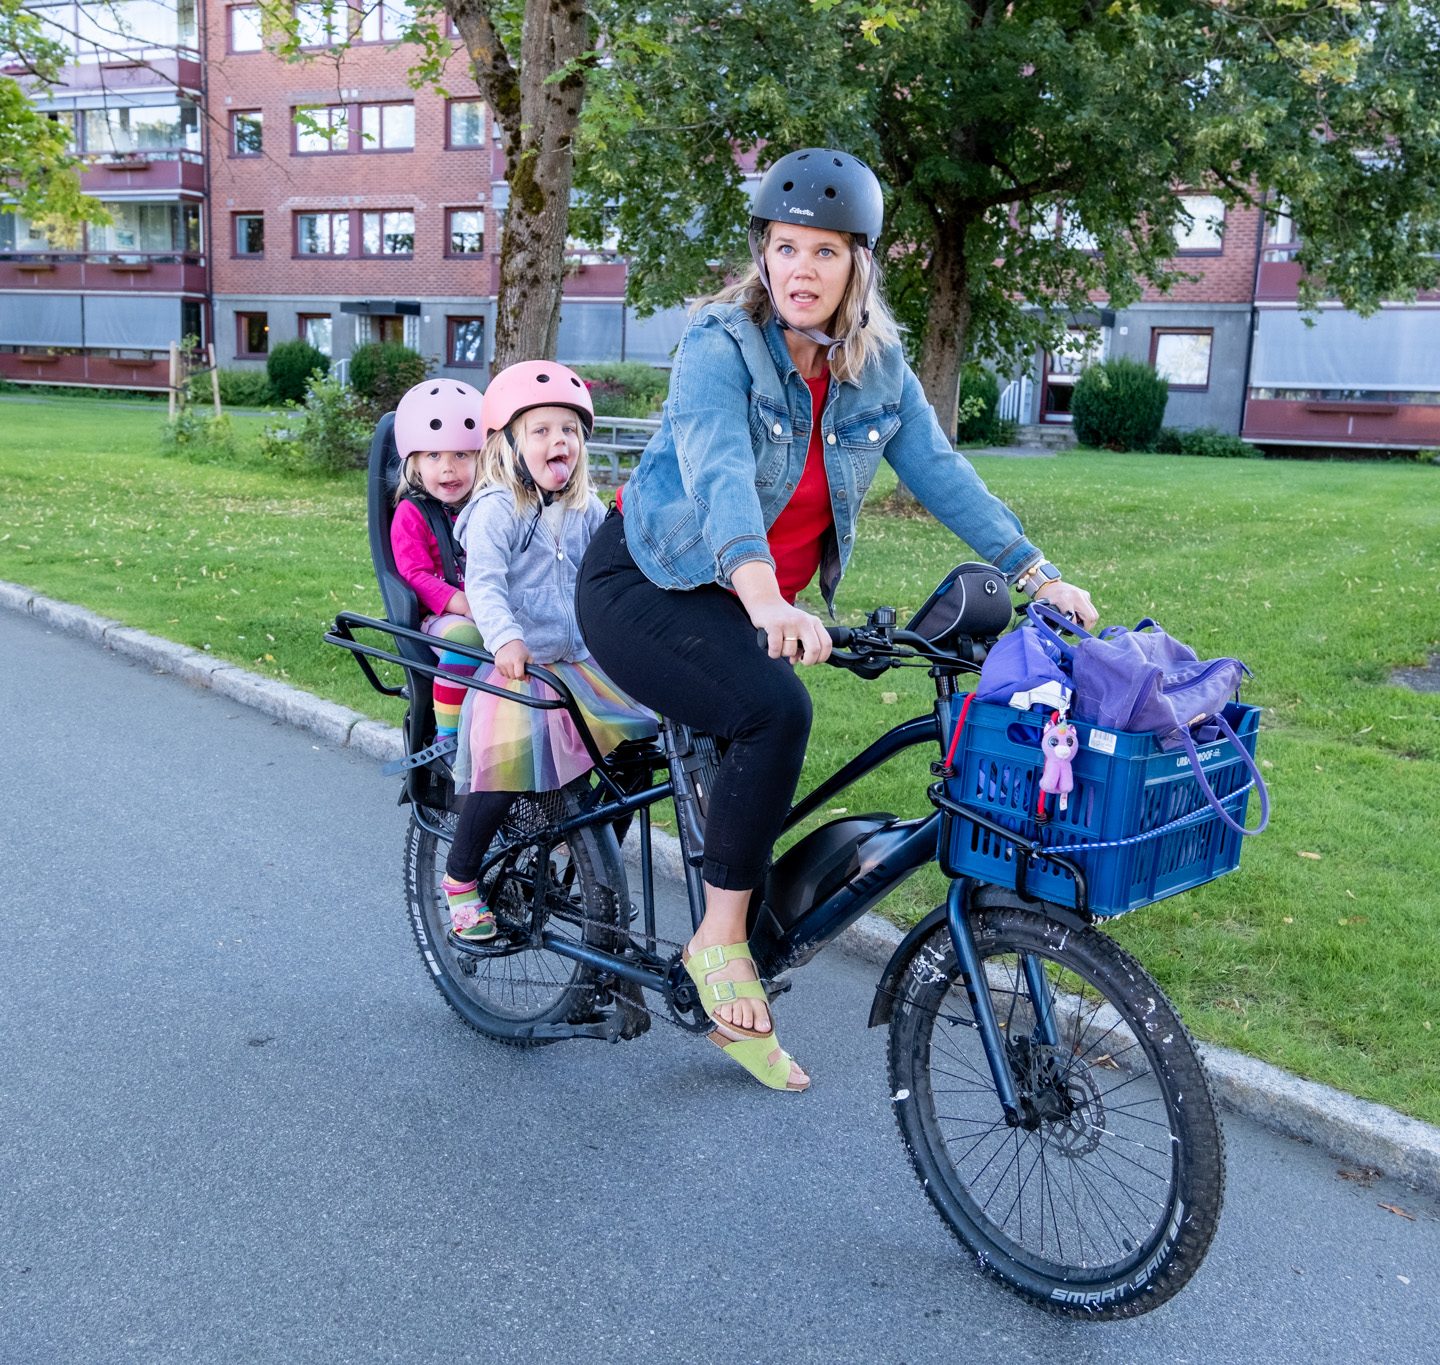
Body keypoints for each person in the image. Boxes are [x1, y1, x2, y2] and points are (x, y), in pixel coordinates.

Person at [576, 147, 1097, 1091]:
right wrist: (764, 589)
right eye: (784, 249)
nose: (801, 271)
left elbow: (941, 471)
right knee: (776, 710)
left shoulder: (878, 368)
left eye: (823, 251)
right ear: (761, 257)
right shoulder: (717, 343)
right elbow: (718, 467)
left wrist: (1033, 571)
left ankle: (735, 916)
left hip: (742, 594)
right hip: (649, 578)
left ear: (859, 263)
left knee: (757, 732)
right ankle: (720, 941)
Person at [441, 361, 657, 942]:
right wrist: (505, 638)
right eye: (540, 430)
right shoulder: (494, 510)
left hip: (581, 662)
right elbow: (483, 584)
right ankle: (460, 879)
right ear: (510, 445)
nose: (558, 440)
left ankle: (590, 852)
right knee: (505, 765)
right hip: (519, 664)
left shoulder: (584, 511)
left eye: (569, 429)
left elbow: (610, 575)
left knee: (642, 743)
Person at [388, 379, 485, 743]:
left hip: (489, 605)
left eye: (461, 455)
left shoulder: (488, 508)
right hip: (440, 618)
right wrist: (461, 603)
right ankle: (447, 737)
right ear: (414, 462)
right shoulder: (413, 513)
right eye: (434, 456)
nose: (448, 468)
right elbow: (413, 574)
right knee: (466, 639)